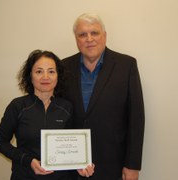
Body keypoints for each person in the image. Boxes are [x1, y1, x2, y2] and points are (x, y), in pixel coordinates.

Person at [61, 13, 145, 180]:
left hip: (113, 163)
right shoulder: (63, 67)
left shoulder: (126, 65)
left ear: (105, 36)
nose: (89, 39)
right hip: (71, 165)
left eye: (95, 33)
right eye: (82, 34)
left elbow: (136, 118)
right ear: (76, 39)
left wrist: (133, 165)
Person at [0, 50, 94, 180]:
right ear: (30, 75)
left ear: (58, 76)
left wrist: (80, 165)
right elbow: (0, 142)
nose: (45, 77)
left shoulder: (67, 107)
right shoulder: (18, 106)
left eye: (51, 71)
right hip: (25, 175)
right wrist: (28, 160)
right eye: (39, 71)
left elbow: (73, 147)